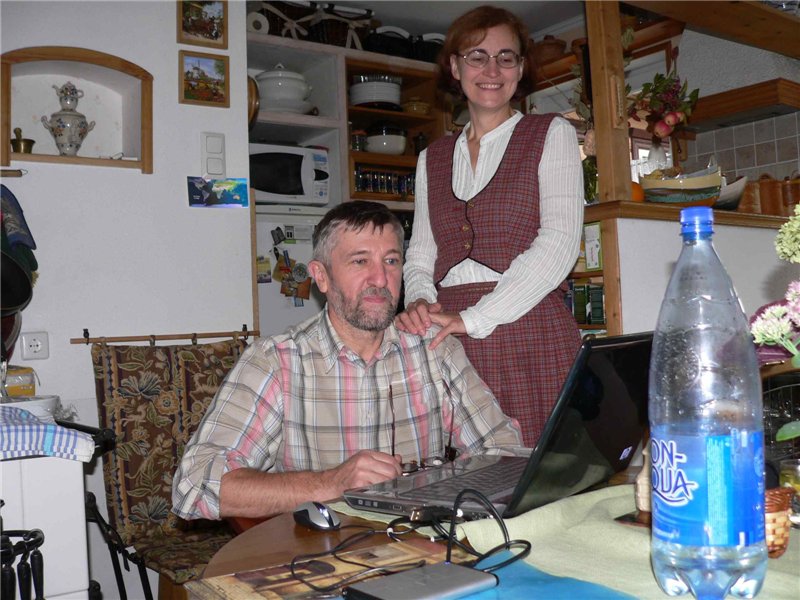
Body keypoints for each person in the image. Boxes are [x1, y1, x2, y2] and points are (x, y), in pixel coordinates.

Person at [172, 201, 522, 520]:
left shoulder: (435, 349)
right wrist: (331, 482)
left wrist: (444, 483)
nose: (380, 279)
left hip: (421, 546)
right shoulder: (277, 362)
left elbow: (505, 452)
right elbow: (194, 484)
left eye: (391, 261)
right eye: (359, 261)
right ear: (321, 276)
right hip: (317, 553)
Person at [396, 5, 584, 447]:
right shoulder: (431, 158)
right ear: (455, 67)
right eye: (477, 56)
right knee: (457, 473)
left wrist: (476, 317)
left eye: (506, 57)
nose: (492, 70)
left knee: (538, 468)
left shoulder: (551, 133)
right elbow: (421, 252)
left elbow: (559, 244)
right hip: (447, 334)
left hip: (527, 326)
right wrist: (420, 299)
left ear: (521, 68)